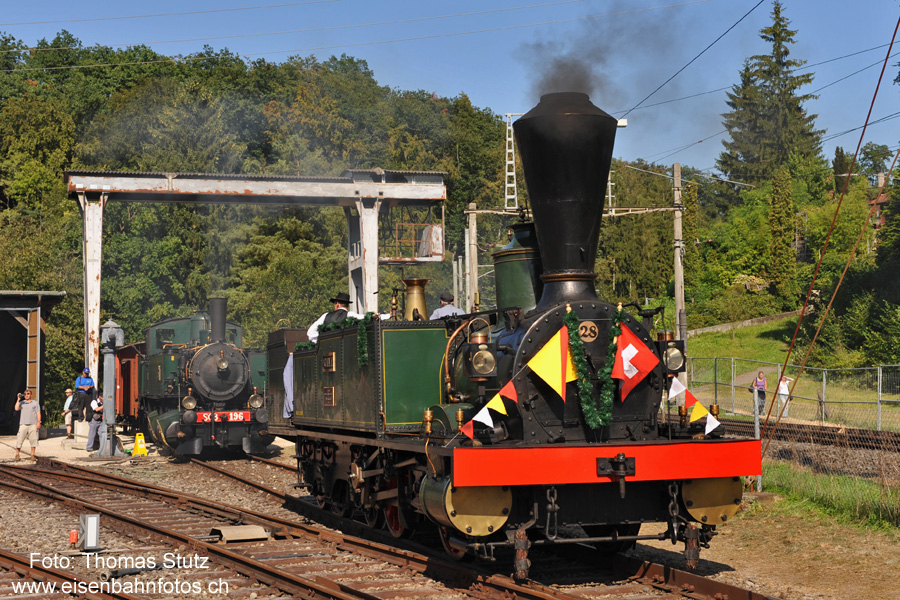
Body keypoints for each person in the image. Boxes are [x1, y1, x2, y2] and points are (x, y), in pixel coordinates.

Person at [14, 389, 41, 461]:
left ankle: (32, 455)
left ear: (31, 395)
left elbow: (38, 413)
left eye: (28, 394)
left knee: (33, 440)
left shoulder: (35, 403)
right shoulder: (22, 402)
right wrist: (18, 399)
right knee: (20, 439)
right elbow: (16, 408)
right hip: (23, 424)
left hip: (33, 424)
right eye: (25, 394)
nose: (26, 395)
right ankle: (17, 454)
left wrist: (39, 422)